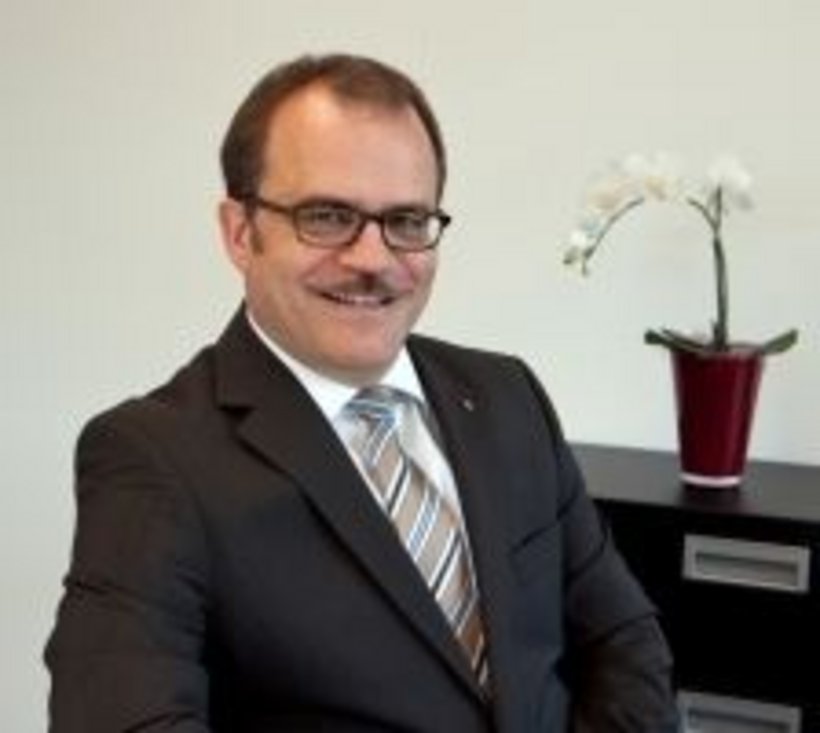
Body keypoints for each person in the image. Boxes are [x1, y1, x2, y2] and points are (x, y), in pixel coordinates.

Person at [45, 53, 680, 732]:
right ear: (240, 232)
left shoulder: (507, 397)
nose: (372, 259)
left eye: (406, 220)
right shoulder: (153, 457)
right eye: (326, 216)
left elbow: (625, 642)